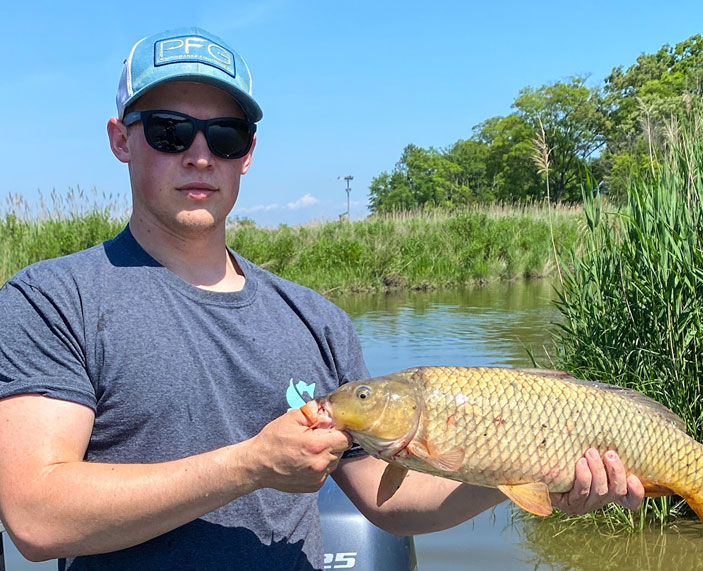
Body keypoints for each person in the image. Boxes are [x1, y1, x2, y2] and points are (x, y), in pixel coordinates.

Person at [0, 27, 644, 570]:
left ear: (247, 154)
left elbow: (387, 501)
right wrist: (249, 466)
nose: (201, 156)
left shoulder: (315, 318)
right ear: (120, 139)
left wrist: (527, 475)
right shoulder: (53, 300)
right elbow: (35, 515)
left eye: (224, 136)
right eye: (170, 132)